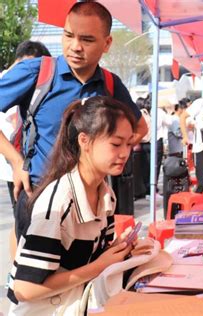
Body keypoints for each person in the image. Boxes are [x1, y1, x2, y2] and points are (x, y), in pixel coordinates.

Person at [0, 2, 148, 240]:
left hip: (89, 202)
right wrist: (16, 161)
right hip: (40, 194)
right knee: (35, 275)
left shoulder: (111, 84)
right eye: (69, 35)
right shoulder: (37, 72)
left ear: (106, 43)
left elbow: (139, 128)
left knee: (87, 272)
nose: (75, 47)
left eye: (87, 40)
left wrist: (107, 159)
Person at [7, 96, 152, 315]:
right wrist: (100, 265)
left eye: (129, 144)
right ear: (84, 140)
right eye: (115, 143)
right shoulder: (58, 202)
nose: (125, 153)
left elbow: (92, 258)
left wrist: (120, 251)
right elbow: (25, 289)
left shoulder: (107, 196)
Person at [0, 41, 51, 207]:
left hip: (29, 166)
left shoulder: (42, 83)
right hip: (15, 164)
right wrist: (16, 161)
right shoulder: (10, 81)